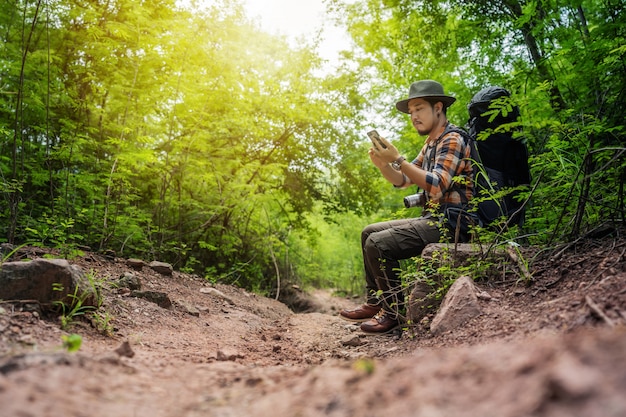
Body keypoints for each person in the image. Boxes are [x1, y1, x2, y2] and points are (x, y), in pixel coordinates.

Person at [339, 80, 474, 334]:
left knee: (378, 244)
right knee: (369, 231)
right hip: (434, 219)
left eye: (419, 108)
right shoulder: (431, 144)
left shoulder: (453, 139)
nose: (413, 116)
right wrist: (384, 165)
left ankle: (393, 314)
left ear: (438, 108)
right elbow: (404, 180)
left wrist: (398, 159)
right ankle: (376, 301)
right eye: (410, 111)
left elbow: (436, 185)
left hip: (455, 223)